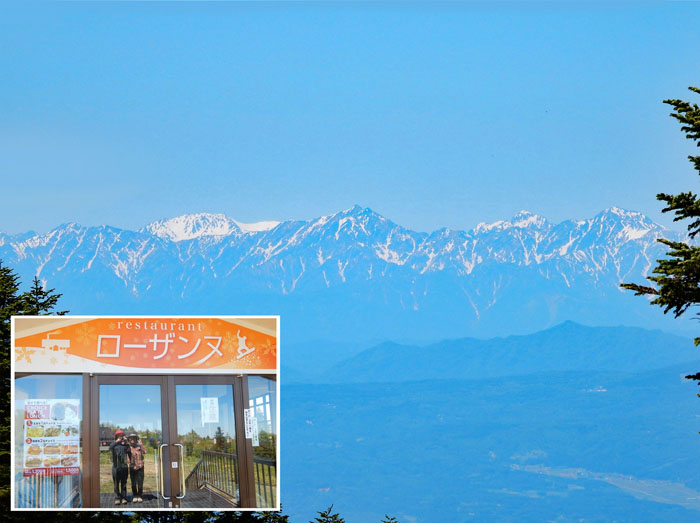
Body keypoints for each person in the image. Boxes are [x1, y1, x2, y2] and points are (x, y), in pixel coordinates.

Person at [109, 429, 131, 505]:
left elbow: (129, 450)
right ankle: (117, 497)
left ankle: (124, 497)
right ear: (116, 436)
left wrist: (126, 441)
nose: (120, 437)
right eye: (119, 436)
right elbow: (110, 448)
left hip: (124, 466)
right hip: (116, 467)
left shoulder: (125, 444)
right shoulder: (114, 444)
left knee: (124, 483)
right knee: (116, 483)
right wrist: (116, 441)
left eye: (122, 436)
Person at [128, 432, 147, 502]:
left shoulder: (139, 446)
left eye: (133, 438)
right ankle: (135, 495)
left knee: (140, 482)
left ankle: (140, 495)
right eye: (130, 438)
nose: (132, 439)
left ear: (136, 439)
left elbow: (145, 451)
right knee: (133, 482)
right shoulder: (128, 447)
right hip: (132, 467)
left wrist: (141, 444)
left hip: (140, 466)